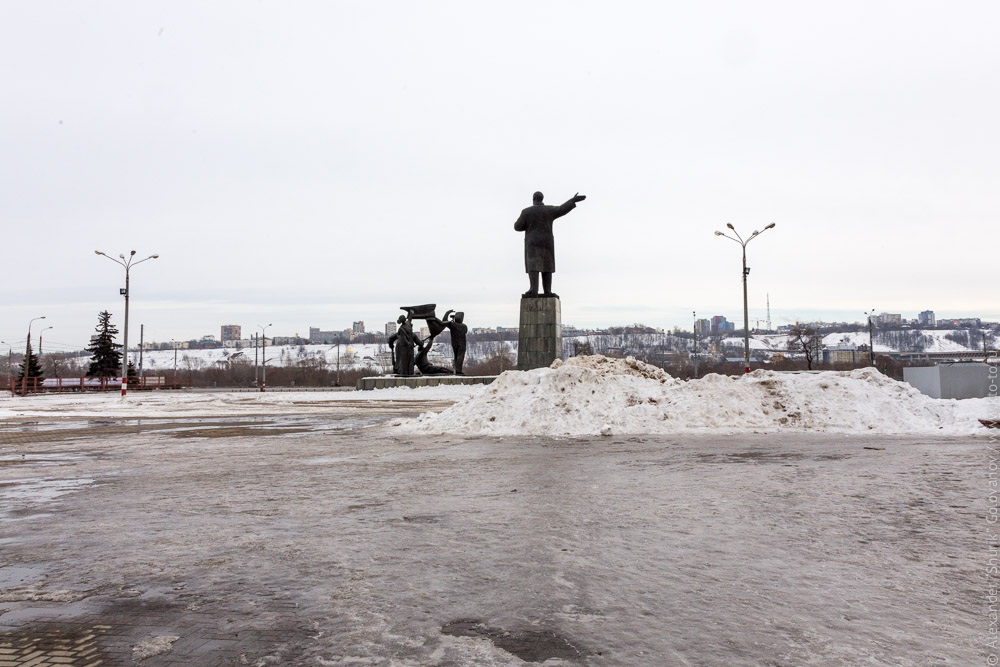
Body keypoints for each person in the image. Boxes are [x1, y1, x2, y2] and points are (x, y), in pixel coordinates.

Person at [513, 190, 586, 298]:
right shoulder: (549, 210)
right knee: (547, 265)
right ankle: (548, 291)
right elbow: (562, 209)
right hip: (547, 243)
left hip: (532, 243)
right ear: (542, 199)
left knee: (533, 265)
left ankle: (533, 290)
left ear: (533, 200)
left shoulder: (526, 212)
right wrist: (572, 200)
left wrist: (527, 224)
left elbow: (517, 227)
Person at [442, 310, 468, 375]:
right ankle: (458, 371)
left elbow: (444, 321)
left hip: (454, 343)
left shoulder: (452, 325)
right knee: (460, 357)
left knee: (456, 357)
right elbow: (464, 331)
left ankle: (457, 370)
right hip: (462, 344)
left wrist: (447, 312)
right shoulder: (464, 326)